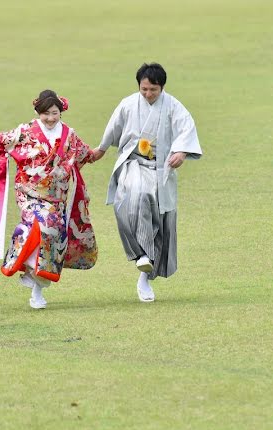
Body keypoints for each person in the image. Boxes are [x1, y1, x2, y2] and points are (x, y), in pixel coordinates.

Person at [0, 90, 98, 309]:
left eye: (54, 113)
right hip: (29, 193)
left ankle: (37, 287)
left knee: (54, 237)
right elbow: (0, 141)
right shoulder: (25, 132)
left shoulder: (69, 135)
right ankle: (26, 267)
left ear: (61, 111)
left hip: (56, 197)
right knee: (45, 224)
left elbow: (84, 154)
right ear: (37, 112)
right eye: (45, 114)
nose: (50, 118)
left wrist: (101, 149)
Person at [89, 63, 202, 302]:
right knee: (132, 198)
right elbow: (113, 128)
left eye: (153, 89)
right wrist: (100, 150)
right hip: (133, 163)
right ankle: (140, 253)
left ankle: (146, 270)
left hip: (161, 167)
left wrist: (181, 153)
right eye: (144, 89)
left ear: (162, 87)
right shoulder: (129, 104)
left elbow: (186, 130)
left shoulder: (173, 106)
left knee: (159, 218)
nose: (148, 94)